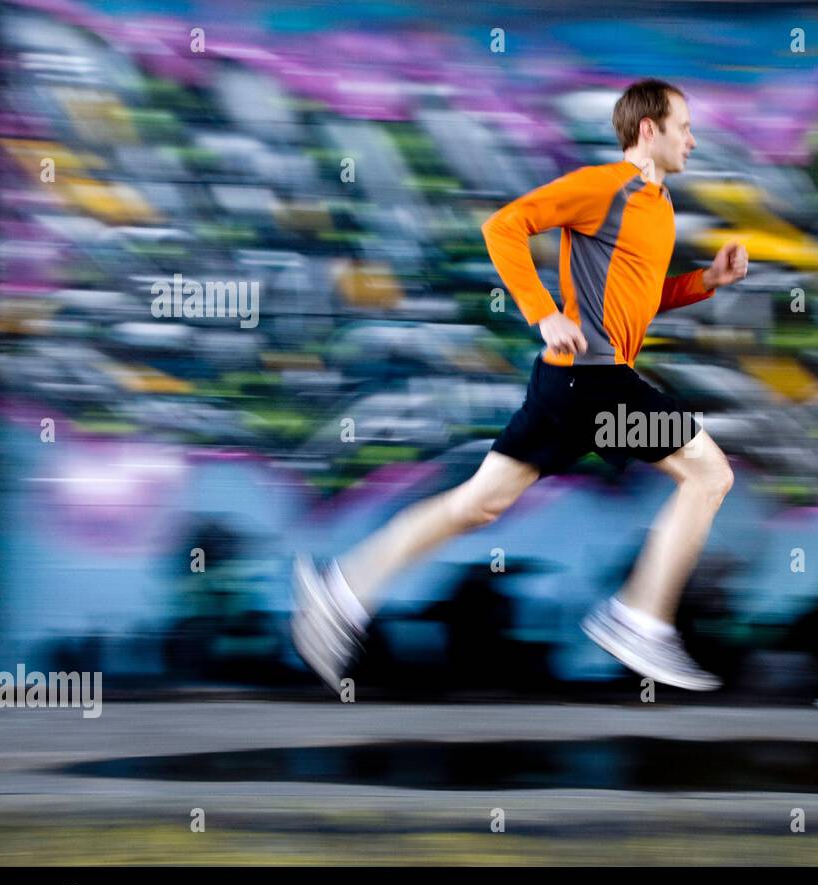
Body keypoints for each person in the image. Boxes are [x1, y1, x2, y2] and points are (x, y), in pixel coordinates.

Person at [292, 78, 749, 693]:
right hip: (594, 381)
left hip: (567, 386)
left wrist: (705, 282)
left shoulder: (658, 207)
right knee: (709, 474)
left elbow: (637, 300)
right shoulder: (605, 187)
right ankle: (640, 618)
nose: (692, 140)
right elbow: (505, 226)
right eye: (684, 127)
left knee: (476, 504)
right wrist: (544, 313)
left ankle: (339, 593)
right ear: (649, 130)